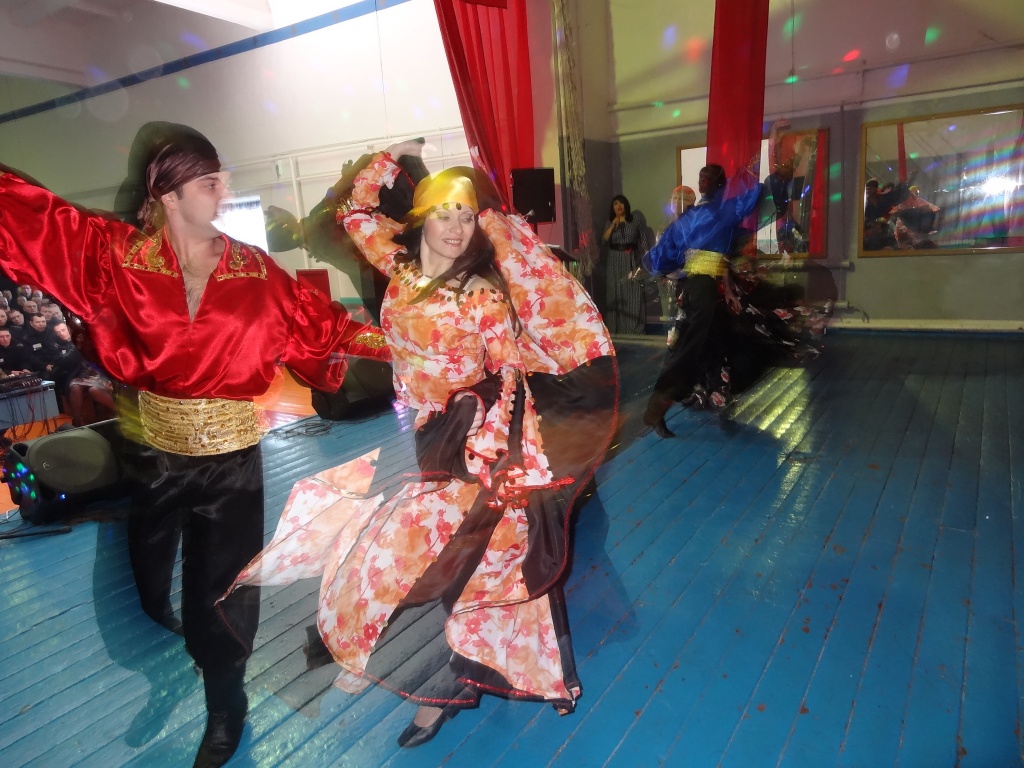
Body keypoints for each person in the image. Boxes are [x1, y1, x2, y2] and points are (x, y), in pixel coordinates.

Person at [0, 132, 390, 768]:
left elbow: (332, 329)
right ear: (169, 194)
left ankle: (225, 704)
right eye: (210, 182)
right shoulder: (114, 257)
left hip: (232, 465)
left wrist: (414, 341)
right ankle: (172, 650)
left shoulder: (256, 273)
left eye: (222, 180)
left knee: (224, 593)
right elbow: (27, 213)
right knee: (149, 584)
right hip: (154, 456)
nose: (225, 192)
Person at [226, 140, 617, 748]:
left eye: (466, 215)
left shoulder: (481, 294)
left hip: (469, 445)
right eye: (444, 213)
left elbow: (508, 374)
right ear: (421, 219)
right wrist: (391, 155)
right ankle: (376, 646)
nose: (457, 227)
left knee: (451, 568)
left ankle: (440, 693)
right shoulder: (400, 268)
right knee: (408, 556)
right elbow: (355, 211)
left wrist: (484, 434)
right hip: (419, 432)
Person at [641, 163, 762, 438]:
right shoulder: (719, 212)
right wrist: (754, 174)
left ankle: (706, 398)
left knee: (703, 348)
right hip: (701, 289)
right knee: (688, 352)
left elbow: (664, 256)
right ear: (722, 185)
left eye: (704, 180)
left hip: (700, 288)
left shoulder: (693, 217)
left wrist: (726, 289)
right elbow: (752, 198)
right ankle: (657, 410)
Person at [601, 194, 649, 335]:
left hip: (631, 259)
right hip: (614, 261)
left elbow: (643, 241)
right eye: (616, 203)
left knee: (633, 293)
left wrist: (647, 260)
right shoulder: (610, 222)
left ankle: (634, 329)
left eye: (621, 203)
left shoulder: (635, 220)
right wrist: (613, 225)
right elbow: (603, 241)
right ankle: (616, 330)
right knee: (615, 293)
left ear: (626, 205)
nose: (619, 206)